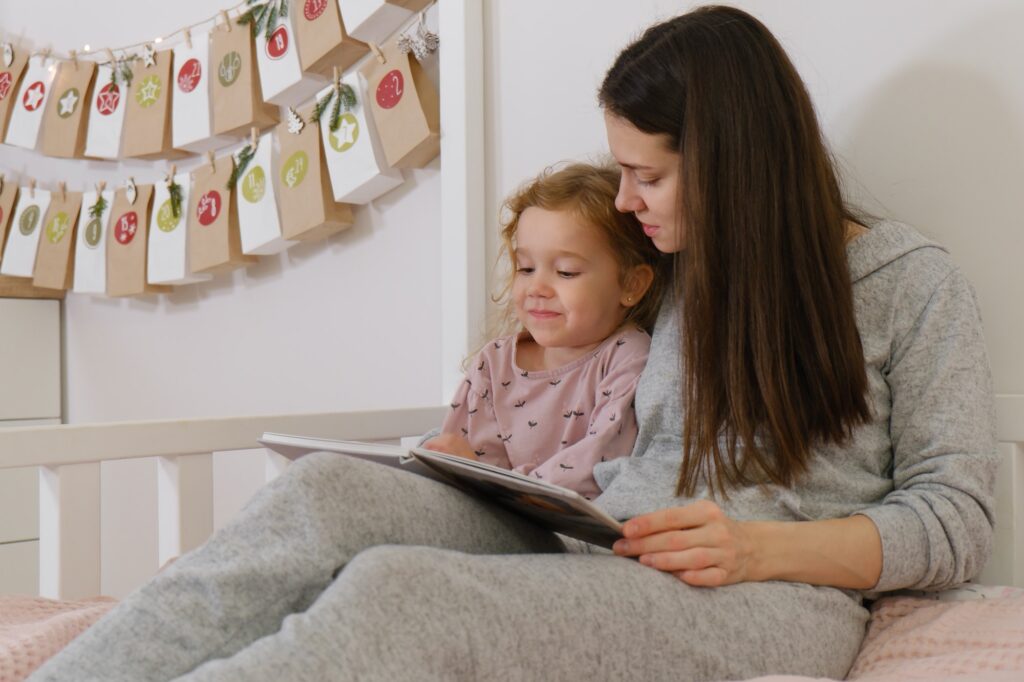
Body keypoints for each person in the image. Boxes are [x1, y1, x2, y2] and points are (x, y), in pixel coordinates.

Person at [32, 6, 997, 681]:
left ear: (734, 163)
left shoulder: (911, 286)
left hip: (765, 596)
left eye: (644, 177)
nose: (624, 202)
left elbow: (956, 521)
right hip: (608, 539)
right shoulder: (686, 276)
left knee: (398, 594)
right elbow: (573, 378)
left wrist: (758, 547)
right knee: (325, 493)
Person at [423, 163, 665, 499]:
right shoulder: (494, 363)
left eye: (565, 272)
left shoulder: (625, 355)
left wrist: (493, 483)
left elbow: (598, 466)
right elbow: (464, 463)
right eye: (525, 268)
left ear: (632, 284)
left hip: (566, 529)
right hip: (498, 514)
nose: (537, 287)